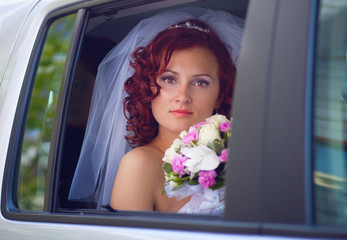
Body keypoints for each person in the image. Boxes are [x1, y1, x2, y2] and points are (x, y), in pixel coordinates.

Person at [68, 7, 244, 210]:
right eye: (169, 79)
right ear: (149, 87)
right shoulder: (140, 165)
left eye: (200, 82)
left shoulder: (239, 159)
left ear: (219, 95)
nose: (183, 96)